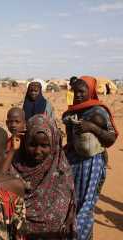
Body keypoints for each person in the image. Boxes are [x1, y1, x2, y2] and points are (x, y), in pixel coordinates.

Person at [62, 76, 118, 240]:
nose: (78, 95)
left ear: (91, 92)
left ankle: (79, 236)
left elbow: (111, 138)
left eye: (82, 91)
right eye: (75, 91)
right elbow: (70, 140)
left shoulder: (99, 111)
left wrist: (93, 128)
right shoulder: (72, 112)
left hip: (92, 163)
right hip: (73, 161)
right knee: (72, 200)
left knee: (86, 204)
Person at [12, 114, 76, 239]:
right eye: (32, 144)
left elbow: (65, 213)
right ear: (24, 142)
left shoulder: (62, 172)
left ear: (53, 144)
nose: (37, 151)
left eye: (44, 146)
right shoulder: (14, 165)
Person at [4, 107, 26, 172]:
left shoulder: (28, 141)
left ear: (24, 123)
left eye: (17, 122)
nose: (13, 125)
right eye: (10, 122)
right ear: (6, 123)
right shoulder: (7, 142)